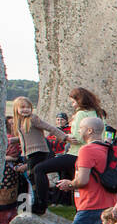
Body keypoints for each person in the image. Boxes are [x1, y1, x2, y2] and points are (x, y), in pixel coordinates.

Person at [30, 87, 105, 215]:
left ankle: (41, 205)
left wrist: (67, 138)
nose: (72, 104)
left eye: (73, 101)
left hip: (76, 153)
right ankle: (80, 210)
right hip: (91, 153)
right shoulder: (98, 113)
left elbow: (77, 137)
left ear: (79, 100)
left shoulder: (81, 113)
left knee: (39, 169)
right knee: (77, 185)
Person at [10, 96, 67, 213]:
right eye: (22, 107)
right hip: (30, 153)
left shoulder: (32, 119)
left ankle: (40, 204)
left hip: (38, 151)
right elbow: (26, 137)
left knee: (35, 176)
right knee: (33, 177)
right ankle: (39, 202)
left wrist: (64, 136)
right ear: (16, 109)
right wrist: (13, 140)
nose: (25, 109)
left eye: (28, 107)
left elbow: (49, 127)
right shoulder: (21, 121)